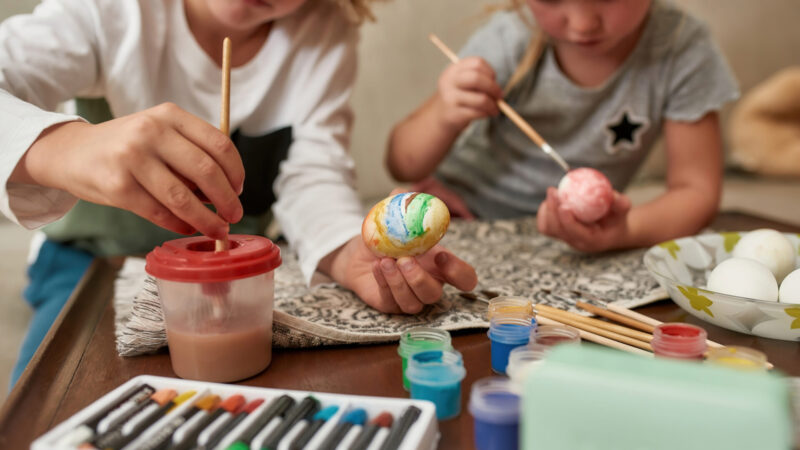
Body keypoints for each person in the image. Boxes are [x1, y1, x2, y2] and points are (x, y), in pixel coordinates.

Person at [0, 0, 477, 386]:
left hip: (239, 272)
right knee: (61, 397)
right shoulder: (109, 12)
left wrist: (343, 249)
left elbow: (313, 174)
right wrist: (61, 147)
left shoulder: (321, 32)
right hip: (90, 264)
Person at [387, 0, 738, 253]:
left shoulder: (682, 47)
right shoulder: (514, 34)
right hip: (459, 213)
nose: (583, 23)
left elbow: (697, 191)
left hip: (563, 246)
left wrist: (625, 231)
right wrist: (444, 114)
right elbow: (402, 163)